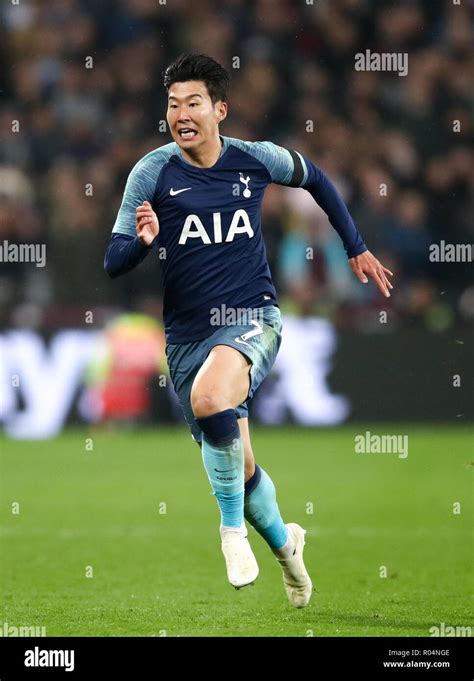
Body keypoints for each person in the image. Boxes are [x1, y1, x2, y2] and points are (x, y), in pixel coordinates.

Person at [104, 53, 393, 608]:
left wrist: (355, 245)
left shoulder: (254, 159)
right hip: (186, 337)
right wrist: (140, 243)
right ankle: (287, 546)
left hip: (252, 317)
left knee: (211, 397)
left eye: (193, 103)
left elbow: (318, 179)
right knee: (240, 458)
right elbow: (112, 260)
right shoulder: (151, 172)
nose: (180, 113)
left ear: (220, 110)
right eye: (172, 104)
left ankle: (231, 531)